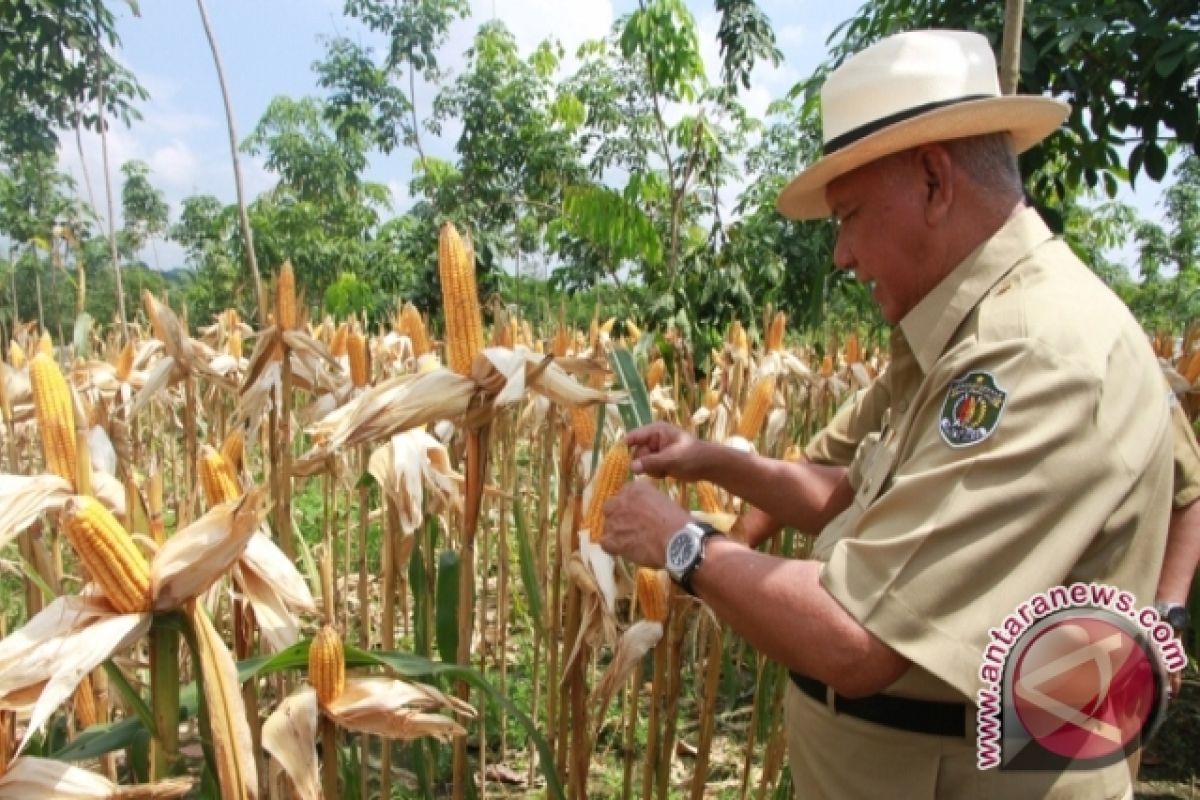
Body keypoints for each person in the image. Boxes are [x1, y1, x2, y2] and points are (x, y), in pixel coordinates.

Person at [599, 29, 1173, 798]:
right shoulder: (960, 333)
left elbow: (855, 638)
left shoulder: (1032, 357)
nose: (839, 253)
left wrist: (682, 542)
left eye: (850, 214)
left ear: (935, 182)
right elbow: (855, 496)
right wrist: (711, 459)